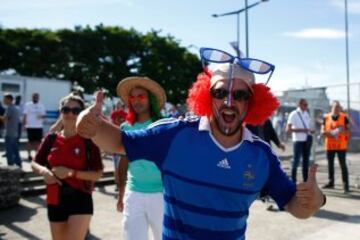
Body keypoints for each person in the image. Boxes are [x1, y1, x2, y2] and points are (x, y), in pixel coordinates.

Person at [76, 48, 325, 240]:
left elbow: (296, 206)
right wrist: (89, 123)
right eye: (219, 93)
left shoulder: (261, 156)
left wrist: (316, 201)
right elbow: (120, 141)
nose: (229, 102)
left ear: (252, 103)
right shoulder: (175, 134)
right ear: (206, 96)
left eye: (240, 95)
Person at [31, 94, 103, 240]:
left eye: (75, 111)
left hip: (80, 198)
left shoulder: (89, 141)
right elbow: (34, 163)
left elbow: (97, 174)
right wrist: (44, 171)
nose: (70, 114)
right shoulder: (51, 138)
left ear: (81, 115)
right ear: (60, 113)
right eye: (66, 110)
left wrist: (71, 173)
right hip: (54, 197)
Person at [115, 76, 165, 240]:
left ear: (150, 99)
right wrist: (121, 194)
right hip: (133, 194)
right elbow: (123, 163)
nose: (136, 101)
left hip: (162, 195)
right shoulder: (125, 128)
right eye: (132, 97)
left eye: (141, 96)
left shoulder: (164, 125)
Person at [246, 118, 286, 210]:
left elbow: (272, 133)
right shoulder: (249, 121)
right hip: (254, 153)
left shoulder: (267, 121)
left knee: (269, 175)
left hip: (266, 152)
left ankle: (273, 199)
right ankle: (264, 196)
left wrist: (279, 144)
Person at [321, 100, 350, 193]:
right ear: (331, 107)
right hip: (330, 145)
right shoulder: (326, 117)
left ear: (340, 108)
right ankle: (331, 182)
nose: (336, 108)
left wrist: (340, 131)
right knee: (330, 164)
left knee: (343, 165)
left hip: (341, 146)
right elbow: (322, 131)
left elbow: (348, 131)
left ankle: (346, 184)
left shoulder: (344, 117)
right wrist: (328, 133)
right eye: (335, 107)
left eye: (338, 107)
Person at [286, 99, 315, 183]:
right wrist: (303, 130)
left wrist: (310, 131)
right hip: (298, 141)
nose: (306, 106)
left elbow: (307, 127)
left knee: (306, 161)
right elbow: (288, 129)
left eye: (307, 105)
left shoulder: (306, 114)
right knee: (296, 161)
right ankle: (293, 180)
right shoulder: (293, 114)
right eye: (305, 105)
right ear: (300, 105)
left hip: (306, 140)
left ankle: (305, 180)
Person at [0, 94, 22, 168]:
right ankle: (18, 164)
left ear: (9, 99)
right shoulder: (16, 108)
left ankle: (11, 165)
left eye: (5, 99)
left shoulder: (10, 108)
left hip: (9, 133)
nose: (3, 100)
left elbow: (5, 119)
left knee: (9, 150)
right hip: (14, 133)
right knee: (15, 150)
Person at [109, 100, 127, 191]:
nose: (118, 106)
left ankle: (123, 184)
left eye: (120, 105)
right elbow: (110, 126)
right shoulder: (113, 114)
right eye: (117, 105)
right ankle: (117, 184)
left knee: (124, 166)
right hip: (115, 143)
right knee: (116, 167)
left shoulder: (126, 115)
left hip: (123, 144)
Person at [23, 93, 46, 161]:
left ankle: (37, 155)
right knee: (30, 142)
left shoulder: (41, 105)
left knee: (38, 142)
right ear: (32, 97)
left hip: (38, 126)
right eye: (34, 97)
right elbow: (25, 115)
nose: (35, 98)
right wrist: (24, 125)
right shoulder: (28, 105)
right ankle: (29, 155)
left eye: (36, 97)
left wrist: (41, 116)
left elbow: (44, 116)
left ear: (38, 98)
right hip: (30, 126)